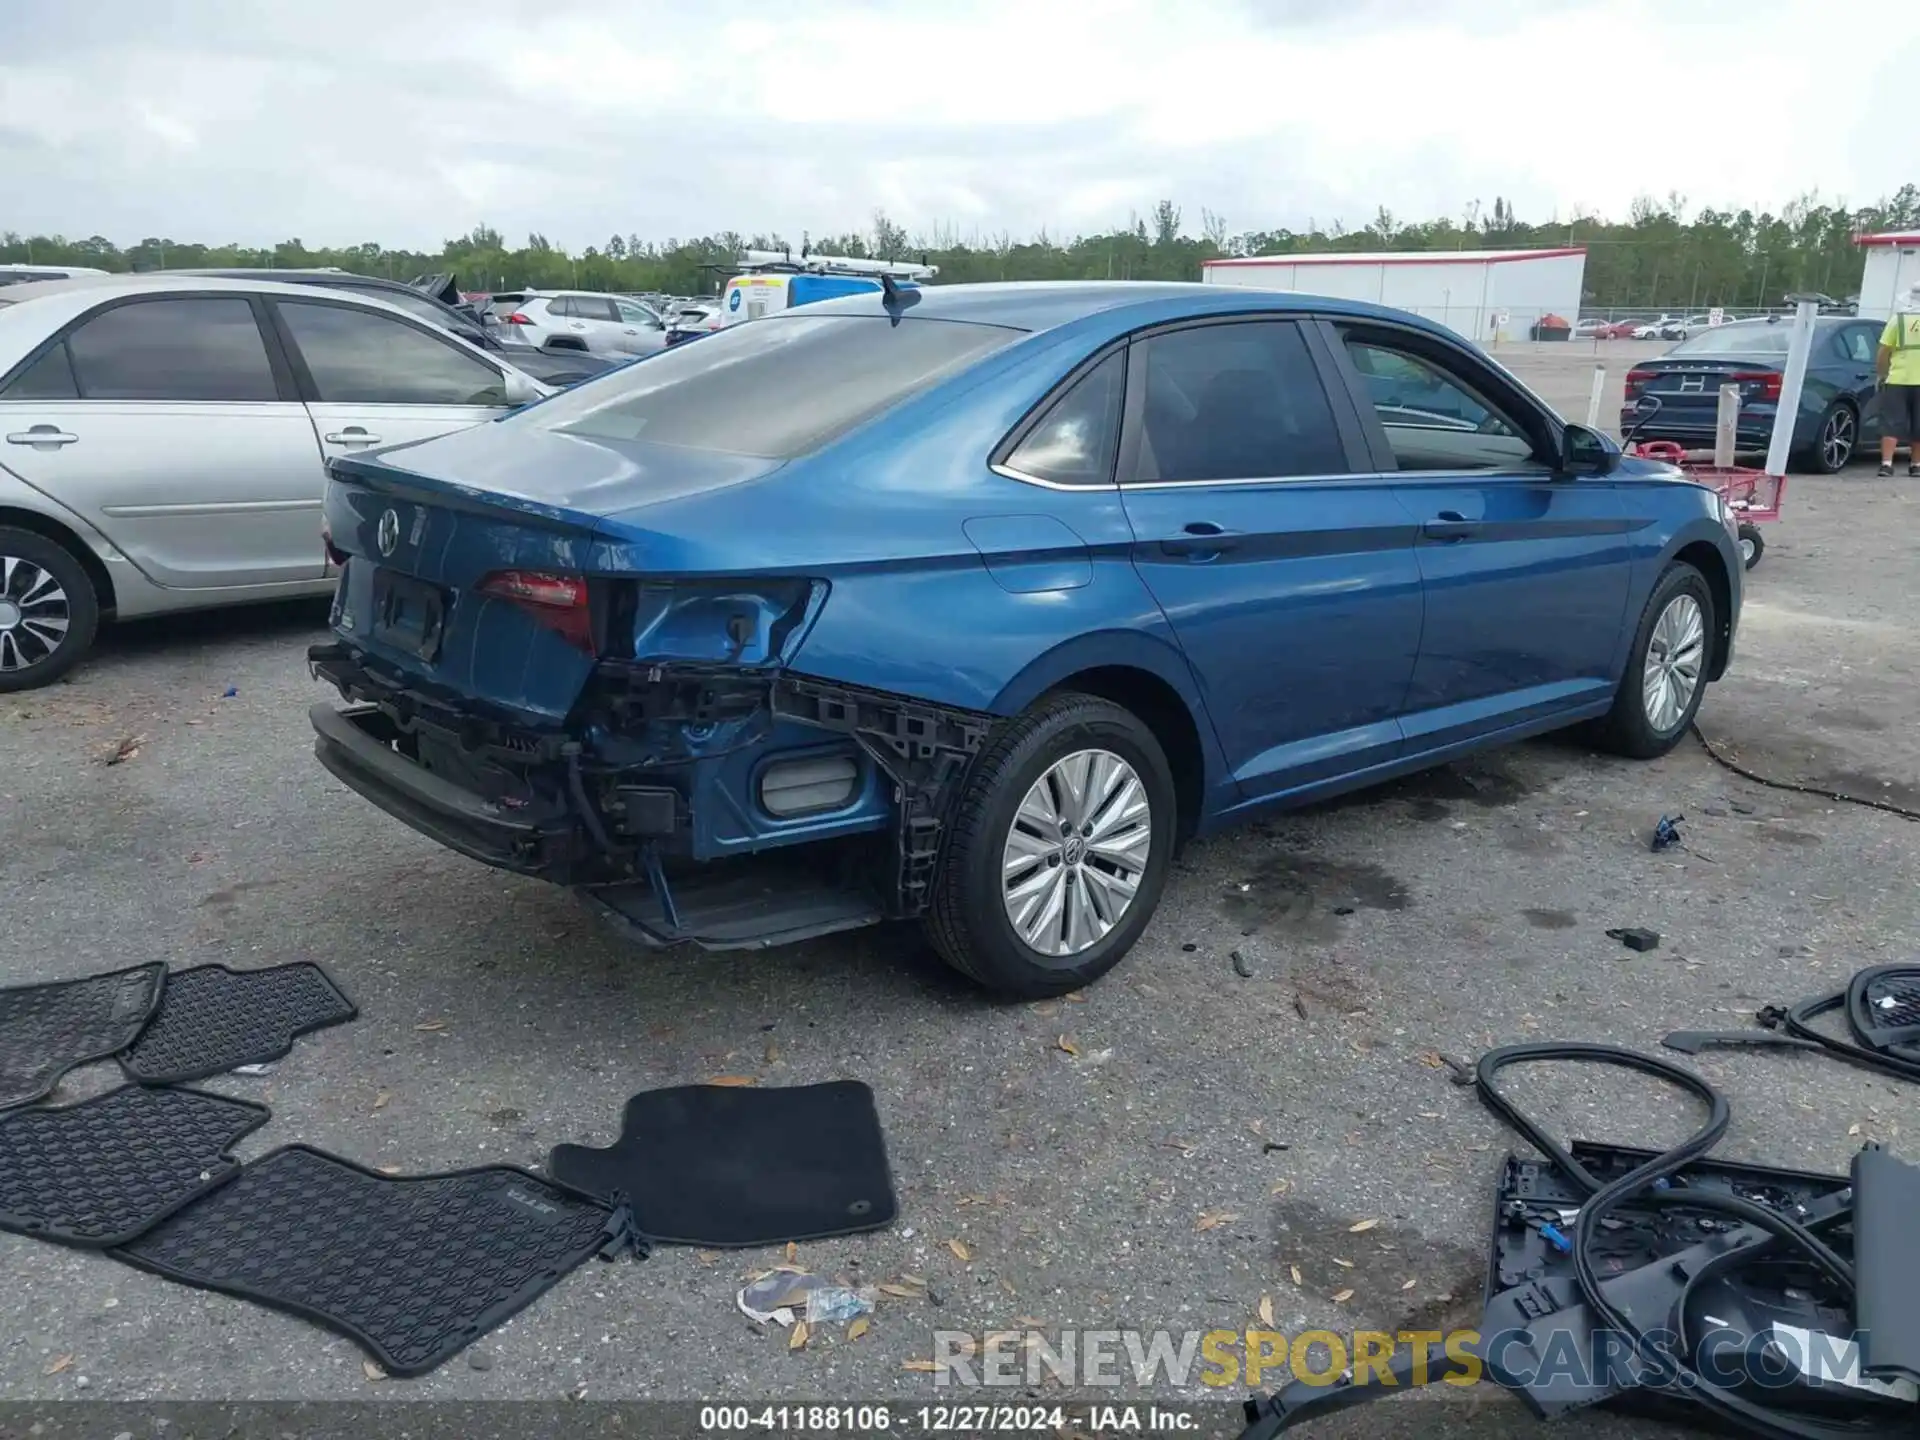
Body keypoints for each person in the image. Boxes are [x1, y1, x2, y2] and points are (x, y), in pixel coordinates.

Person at [1876, 282, 1920, 477]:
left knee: (1892, 422)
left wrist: (1882, 374)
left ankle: (1886, 464)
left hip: (1897, 379)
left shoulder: (1897, 320)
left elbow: (1883, 351)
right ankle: (1916, 465)